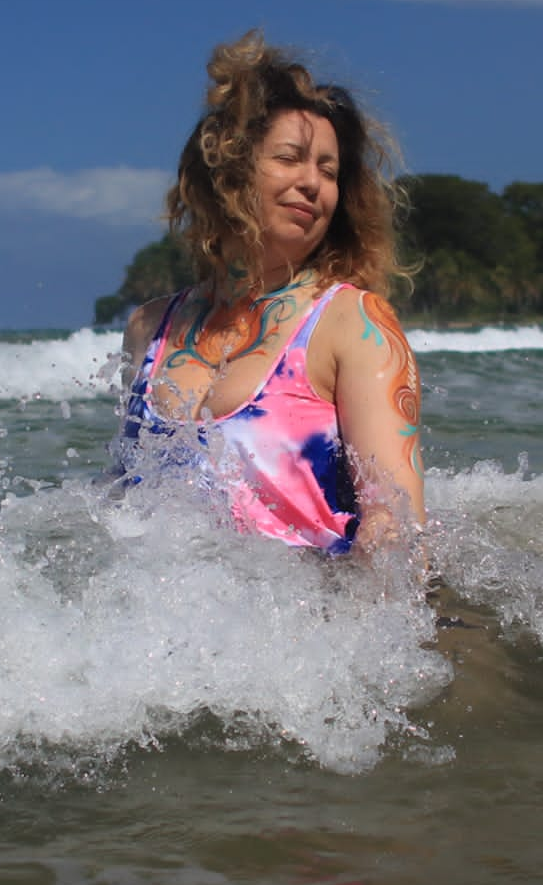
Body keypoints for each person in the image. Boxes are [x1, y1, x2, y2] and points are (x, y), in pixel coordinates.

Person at [114, 31, 425, 558]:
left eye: (328, 171)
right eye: (291, 158)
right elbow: (121, 500)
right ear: (227, 170)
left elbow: (395, 526)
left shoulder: (352, 322)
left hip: (305, 621)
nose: (313, 183)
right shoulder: (150, 326)